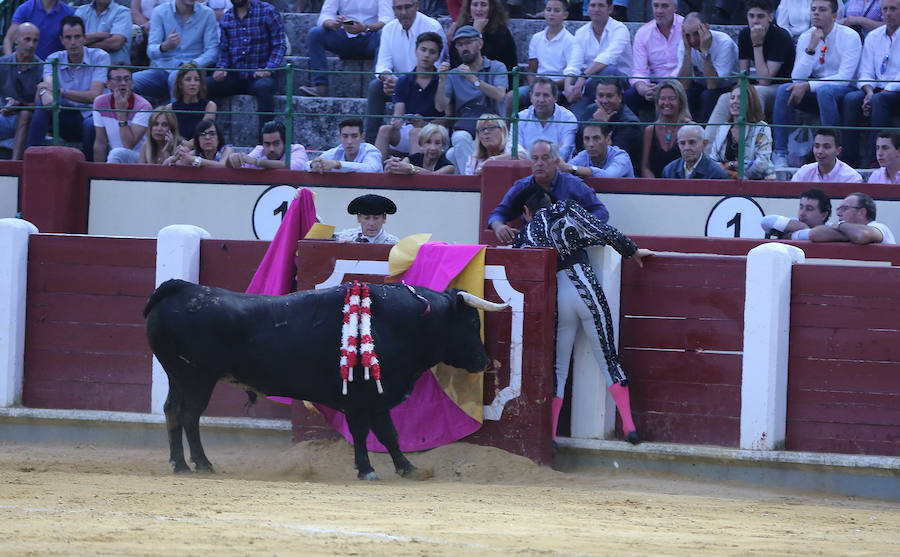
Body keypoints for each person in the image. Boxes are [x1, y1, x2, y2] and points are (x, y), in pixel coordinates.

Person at [512, 186, 652, 445]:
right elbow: (603, 231)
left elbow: (517, 270)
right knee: (608, 359)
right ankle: (630, 428)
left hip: (555, 301)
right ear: (551, 202)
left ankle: (551, 435)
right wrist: (632, 251)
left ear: (526, 212)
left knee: (558, 368)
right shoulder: (565, 209)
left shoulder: (525, 233)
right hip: (585, 287)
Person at [772, 0, 861, 168]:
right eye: (813, 9)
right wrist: (811, 48)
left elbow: (845, 77)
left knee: (825, 92)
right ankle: (780, 153)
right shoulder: (808, 37)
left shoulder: (850, 36)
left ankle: (833, 151)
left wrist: (808, 86)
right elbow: (797, 79)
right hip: (819, 90)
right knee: (784, 90)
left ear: (834, 15)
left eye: (822, 9)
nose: (816, 13)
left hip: (845, 90)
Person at [488, 139, 609, 244]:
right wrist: (499, 226)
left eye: (545, 158)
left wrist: (577, 224)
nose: (539, 163)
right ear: (530, 163)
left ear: (556, 162)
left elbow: (601, 212)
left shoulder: (574, 184)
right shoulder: (522, 186)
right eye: (535, 158)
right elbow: (498, 214)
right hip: (533, 247)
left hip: (571, 245)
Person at [26, 16, 109, 161]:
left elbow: (95, 95)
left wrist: (60, 91)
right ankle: (31, 159)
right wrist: (45, 92)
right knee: (42, 107)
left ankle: (88, 172)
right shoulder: (53, 59)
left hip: (91, 117)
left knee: (91, 124)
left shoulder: (100, 57)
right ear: (61, 40)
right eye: (68, 37)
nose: (73, 42)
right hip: (65, 116)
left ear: (84, 38)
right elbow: (48, 91)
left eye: (77, 37)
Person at [366, 0, 446, 143]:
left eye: (407, 7)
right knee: (375, 87)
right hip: (400, 84)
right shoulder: (389, 29)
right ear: (393, 10)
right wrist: (389, 79)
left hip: (427, 84)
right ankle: (370, 143)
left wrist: (404, 82)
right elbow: (382, 66)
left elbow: (437, 66)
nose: (403, 12)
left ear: (417, 6)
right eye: (399, 8)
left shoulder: (433, 26)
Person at [436, 25, 509, 174]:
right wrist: (442, 80)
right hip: (466, 126)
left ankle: (471, 182)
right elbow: (440, 106)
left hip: (492, 123)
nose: (464, 48)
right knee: (457, 141)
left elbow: (500, 95)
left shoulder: (497, 67)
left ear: (480, 44)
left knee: (453, 154)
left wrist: (473, 79)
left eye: (468, 42)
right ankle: (473, 179)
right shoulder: (454, 73)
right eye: (460, 45)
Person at [206, 0, 285, 130]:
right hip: (235, 76)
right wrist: (221, 67)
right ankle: (201, 137)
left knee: (264, 87)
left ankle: (265, 140)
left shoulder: (267, 11)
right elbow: (224, 50)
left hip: (260, 75)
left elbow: (279, 44)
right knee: (204, 86)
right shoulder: (227, 17)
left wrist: (269, 69)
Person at [841, 0, 900, 168]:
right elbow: (865, 71)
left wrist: (881, 93)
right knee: (852, 99)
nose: (888, 13)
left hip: (896, 89)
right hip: (876, 90)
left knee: (879, 101)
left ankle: (875, 160)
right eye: (885, 9)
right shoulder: (874, 36)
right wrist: (869, 92)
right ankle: (848, 158)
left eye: (893, 9)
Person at [374, 31, 446, 159]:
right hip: (410, 128)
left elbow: (447, 117)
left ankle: (414, 173)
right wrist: (397, 122)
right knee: (384, 130)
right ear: (416, 51)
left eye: (432, 52)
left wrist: (425, 124)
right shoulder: (403, 81)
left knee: (416, 132)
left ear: (437, 56)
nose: (426, 55)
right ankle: (377, 173)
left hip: (435, 131)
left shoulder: (443, 79)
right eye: (423, 50)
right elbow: (398, 114)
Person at [300, 0, 391, 97]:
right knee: (315, 33)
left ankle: (378, 87)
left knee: (384, 34)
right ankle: (321, 86)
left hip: (370, 37)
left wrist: (365, 28)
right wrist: (334, 24)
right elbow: (325, 16)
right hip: (345, 37)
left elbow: (387, 19)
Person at [133, 0, 218, 103]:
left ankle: (177, 117)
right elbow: (151, 51)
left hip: (192, 70)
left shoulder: (207, 14)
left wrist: (191, 65)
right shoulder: (160, 12)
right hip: (163, 69)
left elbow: (212, 51)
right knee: (131, 81)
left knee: (177, 76)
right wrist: (164, 46)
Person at [564, 0, 632, 114]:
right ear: (588, 9)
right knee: (576, 121)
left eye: (601, 5)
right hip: (591, 86)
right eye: (593, 5)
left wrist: (583, 78)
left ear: (610, 9)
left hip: (620, 83)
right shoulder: (581, 32)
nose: (596, 9)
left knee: (609, 70)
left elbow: (608, 57)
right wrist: (567, 87)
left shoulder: (620, 29)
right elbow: (573, 63)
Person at [672, 12, 739, 123]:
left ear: (706, 28)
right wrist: (687, 52)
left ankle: (704, 134)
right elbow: (684, 84)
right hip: (702, 84)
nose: (692, 40)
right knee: (685, 94)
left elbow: (713, 85)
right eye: (688, 35)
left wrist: (705, 51)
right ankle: (685, 132)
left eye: (696, 34)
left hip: (727, 86)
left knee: (708, 96)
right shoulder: (684, 44)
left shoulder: (724, 43)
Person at [511, 0, 577, 112]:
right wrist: (535, 86)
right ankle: (508, 129)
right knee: (511, 97)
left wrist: (548, 86)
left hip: (558, 87)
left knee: (547, 97)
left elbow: (571, 76)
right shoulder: (536, 38)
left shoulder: (571, 41)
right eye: (548, 10)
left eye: (556, 10)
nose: (551, 13)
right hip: (537, 85)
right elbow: (531, 70)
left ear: (565, 15)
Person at [625, 0, 684, 118]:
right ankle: (631, 133)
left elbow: (685, 64)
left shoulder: (685, 27)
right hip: (653, 85)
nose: (659, 11)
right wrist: (643, 88)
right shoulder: (643, 33)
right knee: (629, 96)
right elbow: (639, 70)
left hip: (681, 81)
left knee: (690, 93)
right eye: (656, 6)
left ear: (675, 8)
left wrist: (666, 85)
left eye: (664, 6)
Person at [705, 85, 775, 180]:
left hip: (756, 182)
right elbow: (713, 161)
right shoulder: (723, 128)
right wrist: (730, 170)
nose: (734, 101)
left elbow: (762, 163)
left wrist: (734, 170)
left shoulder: (762, 128)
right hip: (725, 179)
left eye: (740, 98)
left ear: (751, 102)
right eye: (732, 98)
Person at [576, 77, 642, 174]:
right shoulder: (589, 111)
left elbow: (610, 157)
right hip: (587, 174)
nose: (604, 101)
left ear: (620, 97)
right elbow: (581, 147)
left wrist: (601, 125)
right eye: (601, 95)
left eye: (609, 96)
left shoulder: (630, 124)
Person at [447, 0, 517, 86]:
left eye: (483, 5)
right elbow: (457, 62)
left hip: (494, 85)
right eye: (475, 5)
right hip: (464, 85)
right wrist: (476, 32)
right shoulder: (460, 30)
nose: (479, 9)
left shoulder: (501, 32)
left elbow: (510, 65)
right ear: (469, 8)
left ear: (491, 8)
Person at [93, 65, 151, 163]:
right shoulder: (99, 102)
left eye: (127, 79)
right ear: (108, 84)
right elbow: (100, 142)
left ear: (132, 84)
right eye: (118, 79)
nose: (123, 83)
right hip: (114, 158)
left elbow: (128, 145)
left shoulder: (143, 106)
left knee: (117, 153)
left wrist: (121, 113)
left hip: (139, 157)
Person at [0, 23, 42, 160]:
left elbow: (39, 106)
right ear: (16, 39)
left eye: (35, 41)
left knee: (24, 115)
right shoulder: (3, 64)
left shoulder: (42, 68)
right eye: (27, 39)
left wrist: (18, 105)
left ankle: (15, 164)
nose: (31, 45)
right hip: (3, 116)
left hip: (27, 119)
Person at [640, 79, 694, 178]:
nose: (666, 103)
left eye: (671, 98)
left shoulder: (691, 128)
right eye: (662, 98)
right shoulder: (650, 130)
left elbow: (694, 166)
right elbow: (645, 167)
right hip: (655, 188)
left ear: (681, 102)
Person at [516, 78, 578, 160]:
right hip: (525, 170)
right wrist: (552, 152)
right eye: (537, 95)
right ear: (531, 96)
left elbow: (565, 153)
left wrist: (529, 153)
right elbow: (514, 149)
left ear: (555, 98)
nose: (541, 100)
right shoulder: (520, 117)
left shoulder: (568, 118)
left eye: (546, 95)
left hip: (558, 171)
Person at [810, 192, 896, 244]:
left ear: (862, 212)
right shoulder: (847, 230)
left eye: (845, 209)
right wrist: (850, 234)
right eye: (838, 209)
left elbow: (862, 235)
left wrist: (840, 225)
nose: (838, 213)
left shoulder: (880, 228)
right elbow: (815, 234)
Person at [307, 117, 383, 173]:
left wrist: (337, 164)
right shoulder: (335, 152)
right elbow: (305, 165)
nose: (349, 141)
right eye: (345, 136)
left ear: (362, 137)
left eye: (354, 136)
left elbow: (370, 169)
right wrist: (313, 165)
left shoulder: (371, 151)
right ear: (339, 137)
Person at [4, 0, 74, 60]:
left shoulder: (68, 13)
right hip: (27, 66)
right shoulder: (25, 9)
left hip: (54, 67)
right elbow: (9, 39)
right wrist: (11, 64)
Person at [561, 122, 634, 178]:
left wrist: (573, 169)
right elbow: (564, 171)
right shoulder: (584, 155)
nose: (591, 144)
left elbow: (608, 177)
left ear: (608, 139)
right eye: (587, 139)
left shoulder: (621, 156)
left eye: (596, 138)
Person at [165, 63, 216, 143]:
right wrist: (183, 144)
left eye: (197, 79)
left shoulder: (210, 106)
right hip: (178, 148)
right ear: (180, 84)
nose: (193, 83)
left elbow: (204, 131)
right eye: (188, 79)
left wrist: (188, 145)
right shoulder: (170, 108)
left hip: (200, 149)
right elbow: (172, 133)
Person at [226, 120, 309, 170]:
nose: (271, 149)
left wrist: (257, 162)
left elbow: (291, 166)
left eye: (276, 143)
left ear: (285, 143)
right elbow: (239, 167)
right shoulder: (259, 150)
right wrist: (230, 160)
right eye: (267, 144)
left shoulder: (297, 149)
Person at [791, 128, 863, 183]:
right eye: (816, 146)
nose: (820, 151)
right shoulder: (804, 172)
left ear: (838, 150)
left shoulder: (851, 178)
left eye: (826, 147)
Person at [760, 187, 832, 240]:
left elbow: (816, 235)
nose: (802, 213)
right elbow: (766, 221)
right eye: (801, 207)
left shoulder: (831, 229)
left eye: (809, 209)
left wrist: (794, 235)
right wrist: (802, 226)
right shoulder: (794, 223)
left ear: (823, 215)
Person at [661, 124, 730, 179]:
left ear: (704, 143)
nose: (687, 148)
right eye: (682, 143)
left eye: (692, 142)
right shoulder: (669, 171)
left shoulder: (717, 173)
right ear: (678, 145)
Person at [384, 122, 455, 174]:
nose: (433, 148)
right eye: (428, 142)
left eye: (437, 143)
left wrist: (411, 169)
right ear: (421, 144)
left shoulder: (449, 167)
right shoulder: (410, 159)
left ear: (443, 146)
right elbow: (401, 168)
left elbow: (434, 177)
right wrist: (393, 165)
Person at [74, 0, 131, 64]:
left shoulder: (122, 12)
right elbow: (73, 38)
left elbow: (115, 43)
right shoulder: (81, 11)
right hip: (86, 68)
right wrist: (100, 35)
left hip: (114, 70)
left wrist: (83, 45)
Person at [333, 194, 400, 244]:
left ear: (384, 218)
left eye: (376, 218)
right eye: (366, 218)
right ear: (359, 218)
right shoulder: (344, 237)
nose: (371, 223)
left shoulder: (394, 244)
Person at [166, 119, 232, 166]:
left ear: (218, 137)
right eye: (203, 134)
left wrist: (195, 160)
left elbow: (222, 165)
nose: (207, 137)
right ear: (198, 140)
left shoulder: (227, 150)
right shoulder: (195, 153)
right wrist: (175, 158)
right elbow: (168, 164)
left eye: (211, 133)